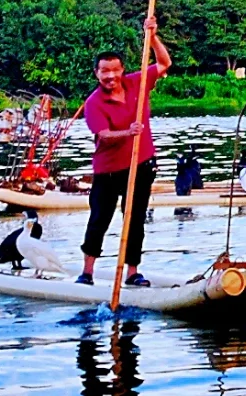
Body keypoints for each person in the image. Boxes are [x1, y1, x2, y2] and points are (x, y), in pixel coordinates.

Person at [76, 16, 171, 287]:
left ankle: (132, 273)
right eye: (104, 71)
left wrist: (152, 38)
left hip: (141, 165)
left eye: (114, 70)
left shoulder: (136, 83)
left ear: (122, 70)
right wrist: (128, 132)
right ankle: (87, 273)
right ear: (97, 73)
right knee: (99, 220)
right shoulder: (94, 103)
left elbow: (164, 64)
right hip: (108, 171)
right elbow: (103, 137)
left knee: (135, 220)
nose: (110, 76)